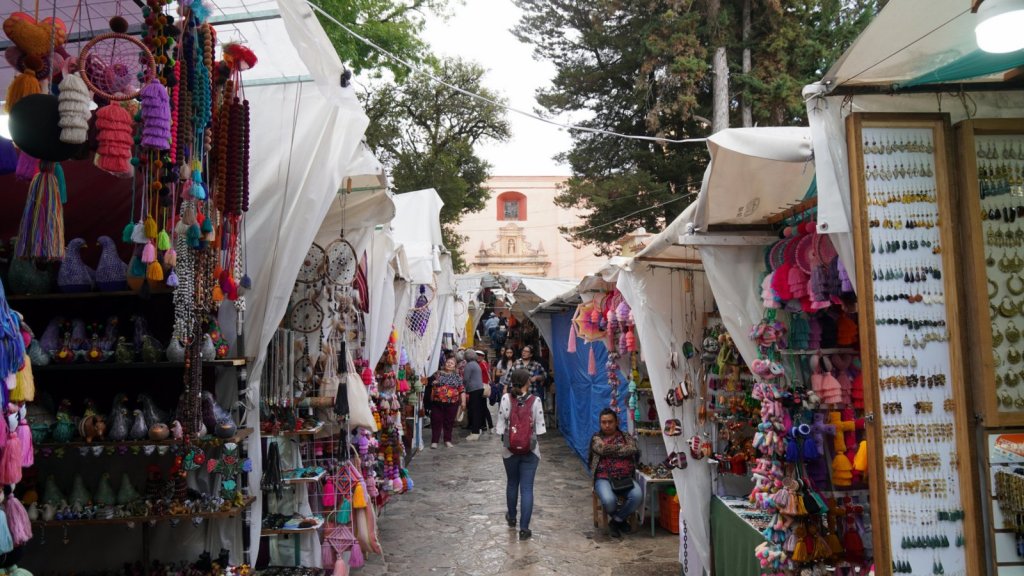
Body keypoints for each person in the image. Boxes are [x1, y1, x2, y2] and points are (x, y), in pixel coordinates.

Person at [495, 369, 546, 541]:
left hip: (509, 450)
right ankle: (524, 529)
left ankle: (511, 517)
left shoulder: (505, 398)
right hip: (530, 450)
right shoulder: (535, 400)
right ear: (527, 382)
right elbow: (540, 429)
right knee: (527, 488)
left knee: (512, 483)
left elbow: (500, 428)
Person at [588, 408, 642, 538]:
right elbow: (602, 449)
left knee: (637, 496)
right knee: (609, 501)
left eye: (610, 422)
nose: (607, 425)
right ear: (600, 423)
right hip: (603, 478)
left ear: (616, 422)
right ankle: (621, 521)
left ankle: (616, 521)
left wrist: (611, 450)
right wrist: (621, 449)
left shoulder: (625, 436)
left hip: (625, 478)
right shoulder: (596, 438)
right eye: (603, 422)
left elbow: (633, 448)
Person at [430, 357, 466, 449]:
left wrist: (463, 402)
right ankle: (434, 441)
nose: (449, 364)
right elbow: (429, 384)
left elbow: (461, 390)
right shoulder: (437, 374)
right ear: (445, 364)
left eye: (452, 363)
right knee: (436, 421)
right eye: (448, 362)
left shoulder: (457, 377)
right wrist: (433, 383)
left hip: (452, 403)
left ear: (454, 367)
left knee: (449, 422)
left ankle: (447, 440)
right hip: (437, 402)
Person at [463, 351, 485, 440]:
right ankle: (478, 428)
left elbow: (465, 379)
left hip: (473, 389)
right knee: (478, 410)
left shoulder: (469, 365)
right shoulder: (476, 364)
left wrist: (464, 388)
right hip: (479, 388)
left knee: (474, 411)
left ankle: (475, 432)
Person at [476, 350, 494, 431]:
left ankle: (489, 425)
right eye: (477, 355)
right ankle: (485, 425)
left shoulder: (482, 364)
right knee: (482, 406)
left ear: (483, 356)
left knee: (483, 407)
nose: (478, 356)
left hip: (482, 387)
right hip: (481, 386)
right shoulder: (483, 363)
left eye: (480, 355)